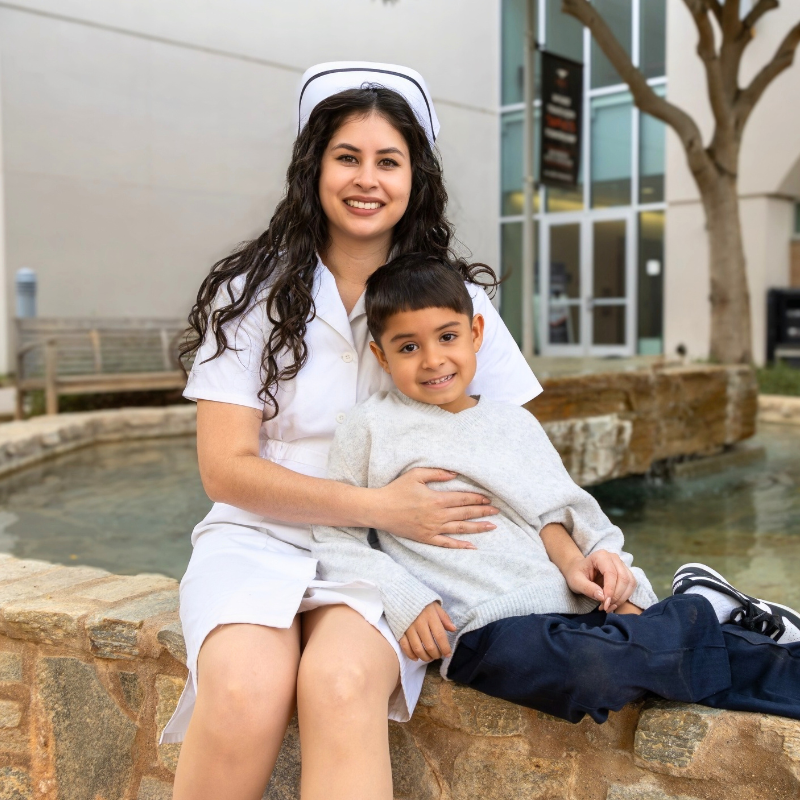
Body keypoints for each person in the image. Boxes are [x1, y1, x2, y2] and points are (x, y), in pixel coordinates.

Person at [164, 62, 547, 800]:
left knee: (340, 682)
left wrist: (582, 550)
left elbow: (514, 449)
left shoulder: (456, 301)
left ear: (415, 177)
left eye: (388, 160)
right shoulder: (251, 297)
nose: (366, 178)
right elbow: (225, 469)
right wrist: (377, 504)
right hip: (258, 534)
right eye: (347, 156)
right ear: (314, 166)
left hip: (395, 560)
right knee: (242, 688)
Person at [312, 253, 800, 725]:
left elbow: (564, 509)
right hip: (482, 628)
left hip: (568, 602)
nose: (433, 359)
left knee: (629, 659)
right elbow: (336, 536)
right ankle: (703, 615)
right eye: (408, 347)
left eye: (447, 336)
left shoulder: (513, 423)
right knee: (591, 674)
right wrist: (405, 597)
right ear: (380, 354)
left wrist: (607, 558)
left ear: (476, 333)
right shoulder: (371, 427)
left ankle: (731, 633)